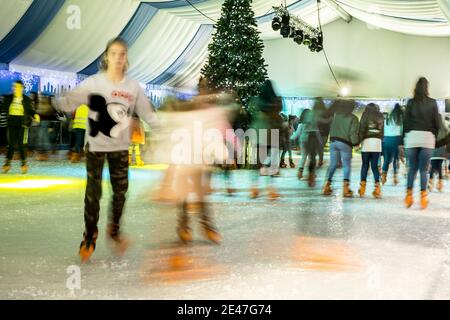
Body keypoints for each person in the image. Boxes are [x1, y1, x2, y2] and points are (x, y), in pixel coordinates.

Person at [57, 37, 158, 262]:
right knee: (93, 194)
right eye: (114, 53)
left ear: (126, 58)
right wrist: (59, 102)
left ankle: (114, 230)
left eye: (122, 53)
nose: (118, 57)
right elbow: (72, 100)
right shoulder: (94, 83)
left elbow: (148, 113)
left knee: (120, 192)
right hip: (95, 146)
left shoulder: (133, 87)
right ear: (107, 56)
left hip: (120, 148)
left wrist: (165, 127)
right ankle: (90, 235)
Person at [403, 77, 440, 209]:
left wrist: (406, 136)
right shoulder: (433, 103)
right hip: (427, 138)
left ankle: (409, 197)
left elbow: (405, 122)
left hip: (412, 138)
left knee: (412, 169)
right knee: (424, 170)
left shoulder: (411, 103)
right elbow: (437, 122)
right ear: (427, 88)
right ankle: (423, 198)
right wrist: (433, 134)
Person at [322, 100, 359, 197]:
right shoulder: (353, 118)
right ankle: (346, 189)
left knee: (333, 164)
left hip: (333, 142)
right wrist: (355, 143)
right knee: (347, 165)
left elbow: (331, 127)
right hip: (345, 143)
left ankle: (326, 185)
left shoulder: (336, 115)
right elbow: (353, 132)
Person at [1, 81, 37, 174]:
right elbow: (3, 107)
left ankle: (23, 163)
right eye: (14, 86)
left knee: (21, 144)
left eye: (18, 87)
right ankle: (7, 163)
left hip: (22, 123)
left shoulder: (26, 99)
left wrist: (35, 115)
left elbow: (30, 110)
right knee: (11, 144)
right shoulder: (8, 98)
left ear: (22, 88)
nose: (15, 88)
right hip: (12, 122)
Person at [357, 103, 384, 198]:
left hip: (367, 142)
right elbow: (382, 131)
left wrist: (357, 142)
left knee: (365, 165)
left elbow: (362, 129)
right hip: (377, 143)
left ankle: (362, 189)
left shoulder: (365, 114)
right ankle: (377, 189)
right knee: (374, 166)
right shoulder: (380, 115)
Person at [381, 103, 403, 185]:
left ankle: (384, 177)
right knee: (395, 159)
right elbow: (401, 131)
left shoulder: (387, 118)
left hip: (386, 139)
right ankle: (395, 178)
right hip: (395, 139)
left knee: (386, 159)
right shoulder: (399, 118)